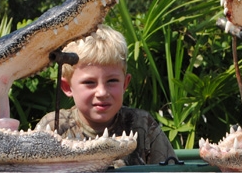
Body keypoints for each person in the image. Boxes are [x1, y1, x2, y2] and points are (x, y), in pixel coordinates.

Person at [37, 24, 176, 167]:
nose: (102, 93)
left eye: (112, 81)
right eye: (89, 82)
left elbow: (172, 170)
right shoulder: (54, 127)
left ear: (125, 84)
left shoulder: (142, 125)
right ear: (67, 87)